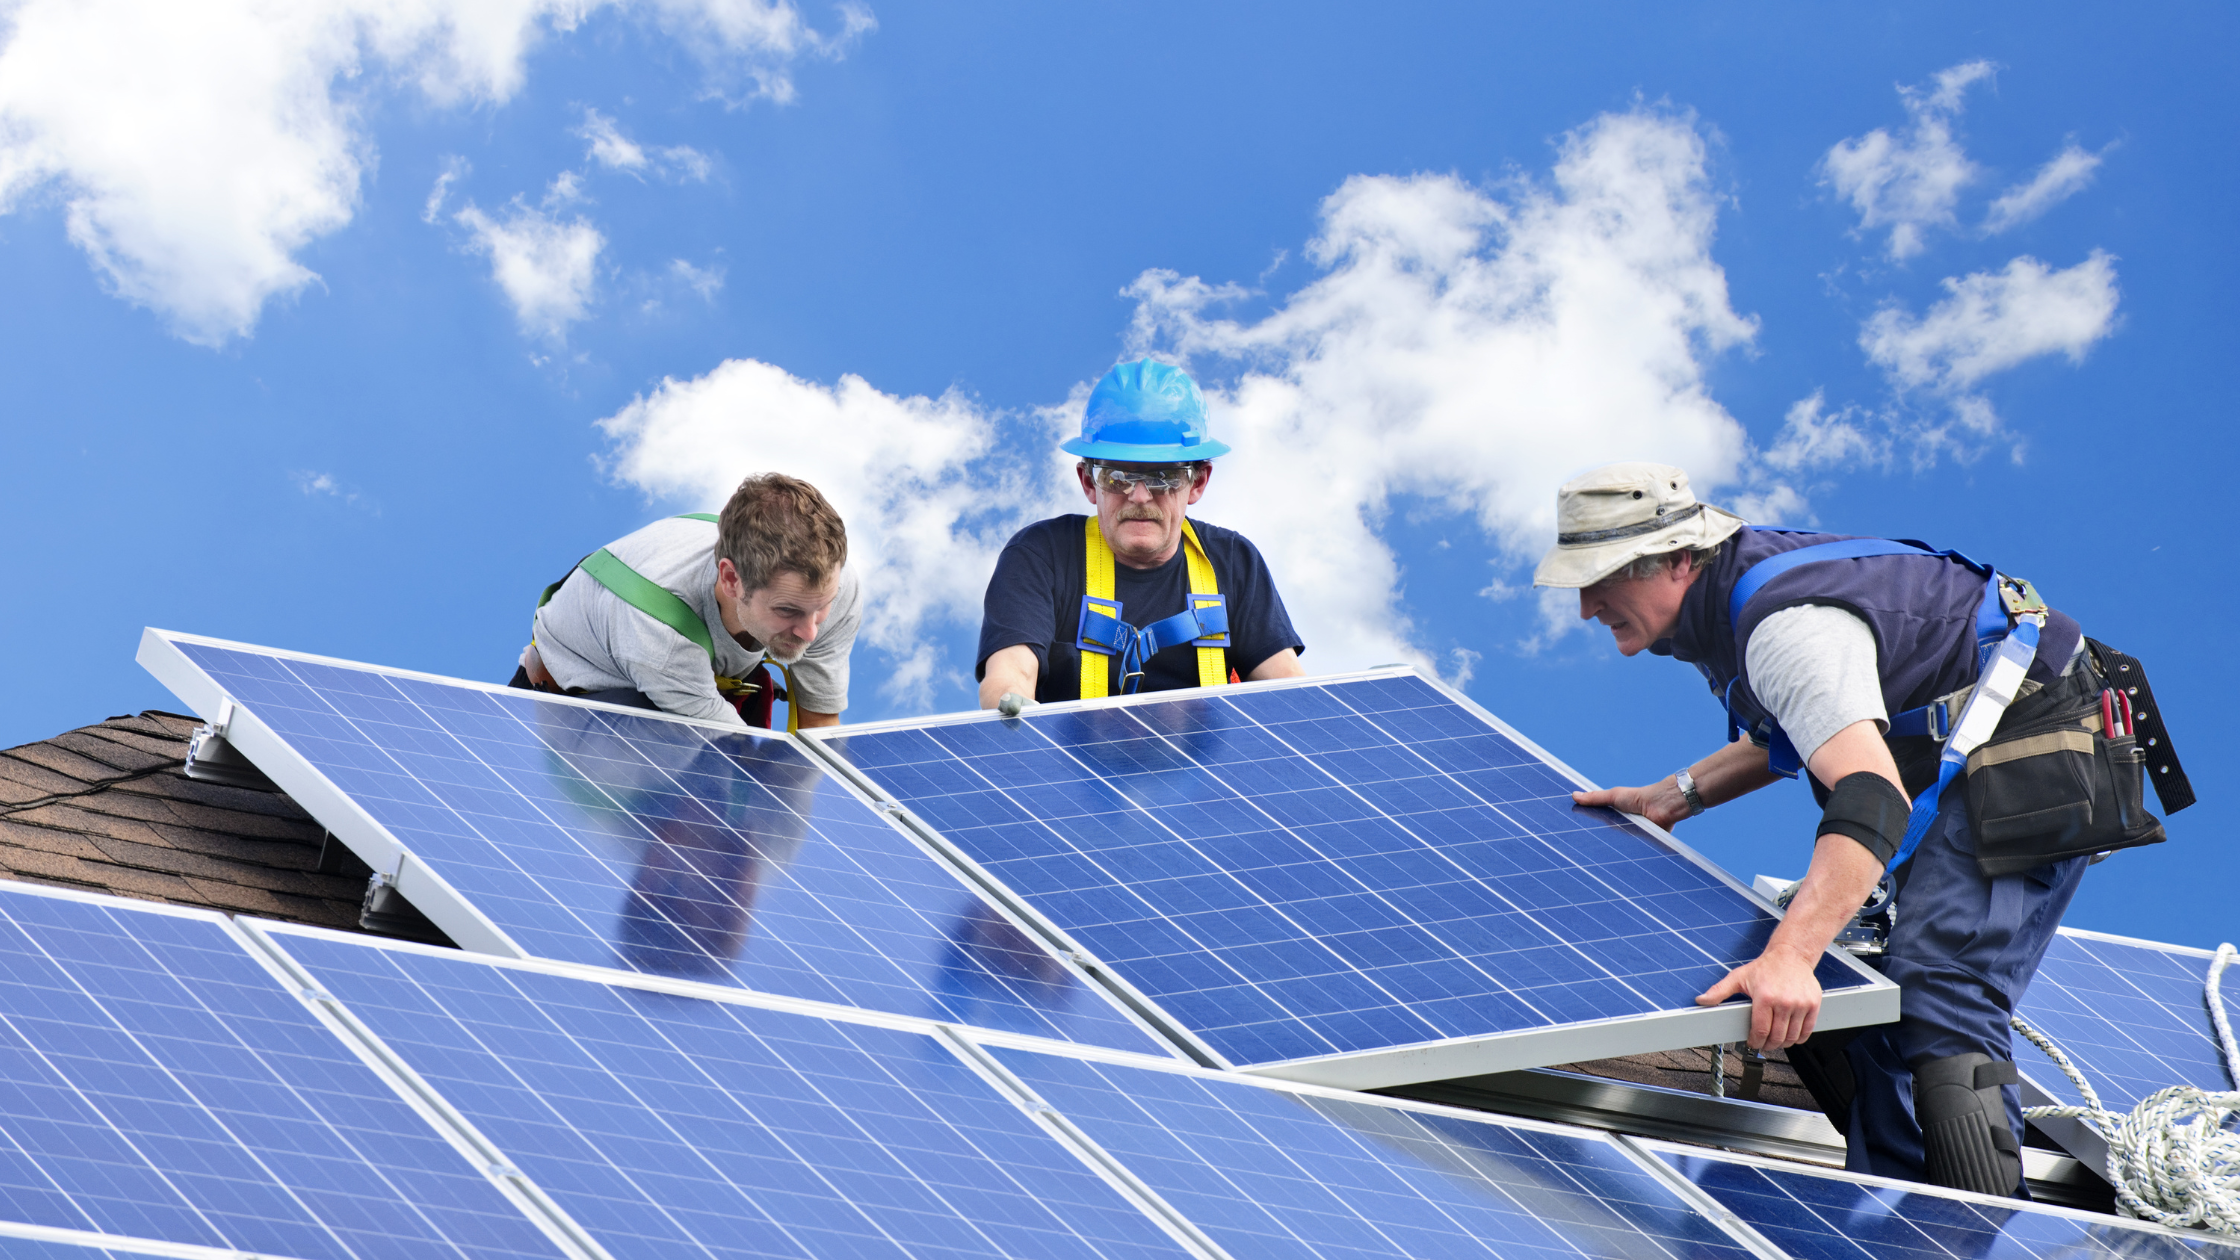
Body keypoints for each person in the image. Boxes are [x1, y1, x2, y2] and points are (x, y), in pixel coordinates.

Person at [1533, 461, 2176, 1198]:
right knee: (1858, 993)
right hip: (1962, 745)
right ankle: (1908, 1213)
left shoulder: (1784, 628)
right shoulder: (1731, 604)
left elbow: (1871, 793)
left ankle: (1983, 1231)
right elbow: (1805, 724)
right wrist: (1676, 796)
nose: (1586, 605)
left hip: (2039, 740)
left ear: (1680, 559)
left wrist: (1791, 956)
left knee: (1939, 982)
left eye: (1602, 578)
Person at [977, 359, 1304, 710]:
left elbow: (1288, 692)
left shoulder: (1234, 562)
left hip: (1206, 762)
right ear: (1089, 482)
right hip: (1071, 763)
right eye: (1117, 476)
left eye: (1163, 477)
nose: (1139, 496)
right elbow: (1010, 675)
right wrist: (1010, 708)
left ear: (1198, 483)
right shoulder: (1040, 556)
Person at [515, 472, 860, 730]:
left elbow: (820, 726)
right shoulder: (660, 636)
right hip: (581, 705)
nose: (810, 632)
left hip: (689, 676)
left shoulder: (833, 587)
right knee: (684, 770)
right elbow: (742, 766)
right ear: (730, 579)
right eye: (787, 610)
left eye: (822, 606)